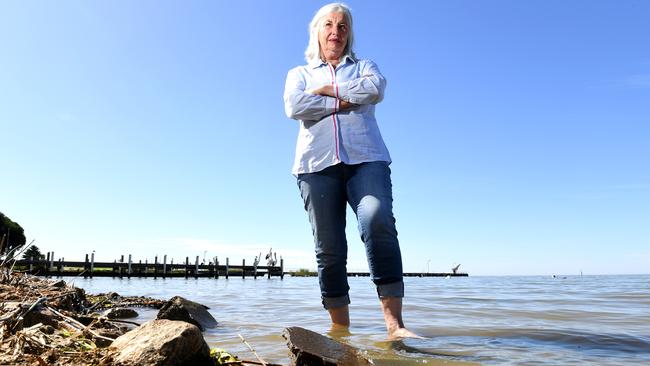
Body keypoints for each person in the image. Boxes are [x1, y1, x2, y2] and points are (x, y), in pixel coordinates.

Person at [283, 3, 418, 339]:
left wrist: (327, 91)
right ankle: (340, 331)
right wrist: (347, 100)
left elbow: (376, 89)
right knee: (329, 247)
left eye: (343, 26)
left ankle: (395, 326)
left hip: (367, 158)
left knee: (377, 219)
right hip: (316, 165)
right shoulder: (299, 74)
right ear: (317, 31)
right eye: (329, 24)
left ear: (349, 33)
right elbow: (295, 106)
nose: (336, 32)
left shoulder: (364, 66)